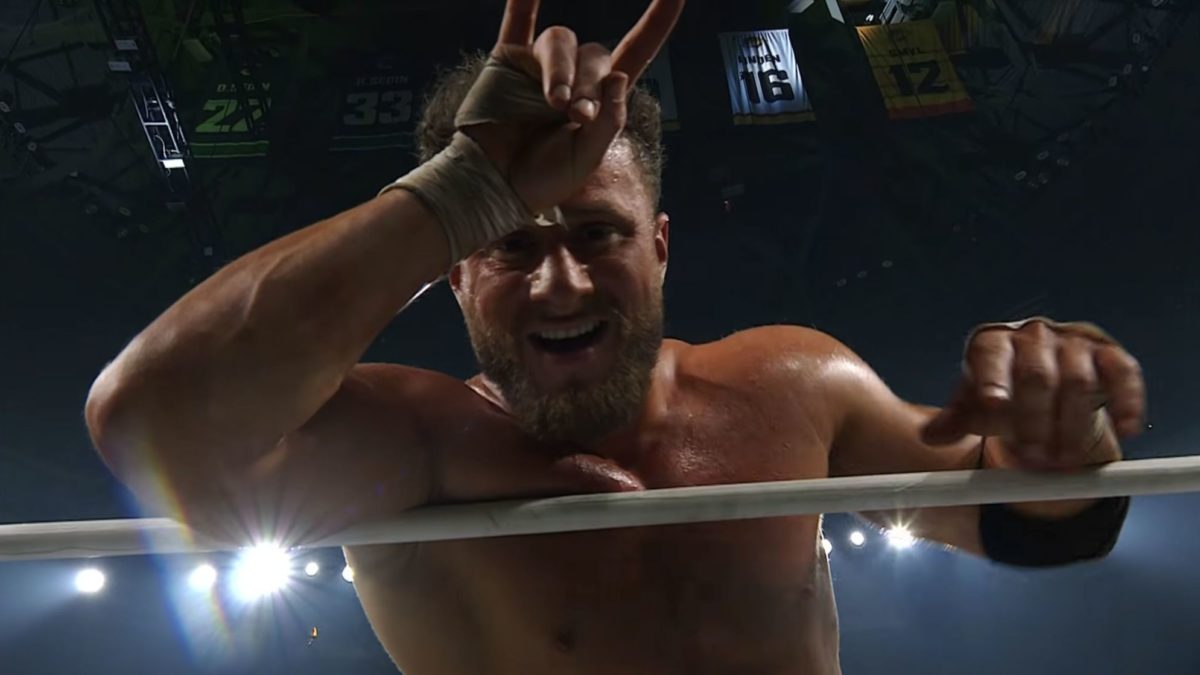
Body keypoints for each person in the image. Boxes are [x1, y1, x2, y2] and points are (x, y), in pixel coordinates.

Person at [84, 1, 1145, 673]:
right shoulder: (405, 446)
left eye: (599, 234)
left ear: (664, 248)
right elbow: (149, 426)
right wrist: (457, 193)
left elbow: (1029, 522)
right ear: (452, 272)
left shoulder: (789, 381)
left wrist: (1065, 438)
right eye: (508, 244)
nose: (560, 281)